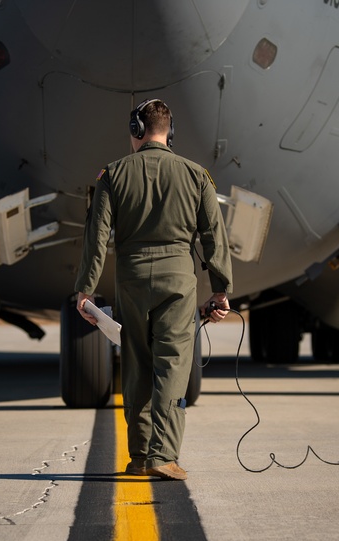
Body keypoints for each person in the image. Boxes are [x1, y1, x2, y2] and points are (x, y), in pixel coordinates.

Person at [74, 99, 233, 481]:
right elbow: (214, 238)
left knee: (137, 367)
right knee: (172, 367)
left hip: (130, 279)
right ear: (170, 132)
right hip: (178, 281)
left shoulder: (112, 175)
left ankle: (141, 456)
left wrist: (85, 290)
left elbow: (96, 239)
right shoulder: (196, 175)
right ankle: (164, 454)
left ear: (136, 130)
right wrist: (221, 290)